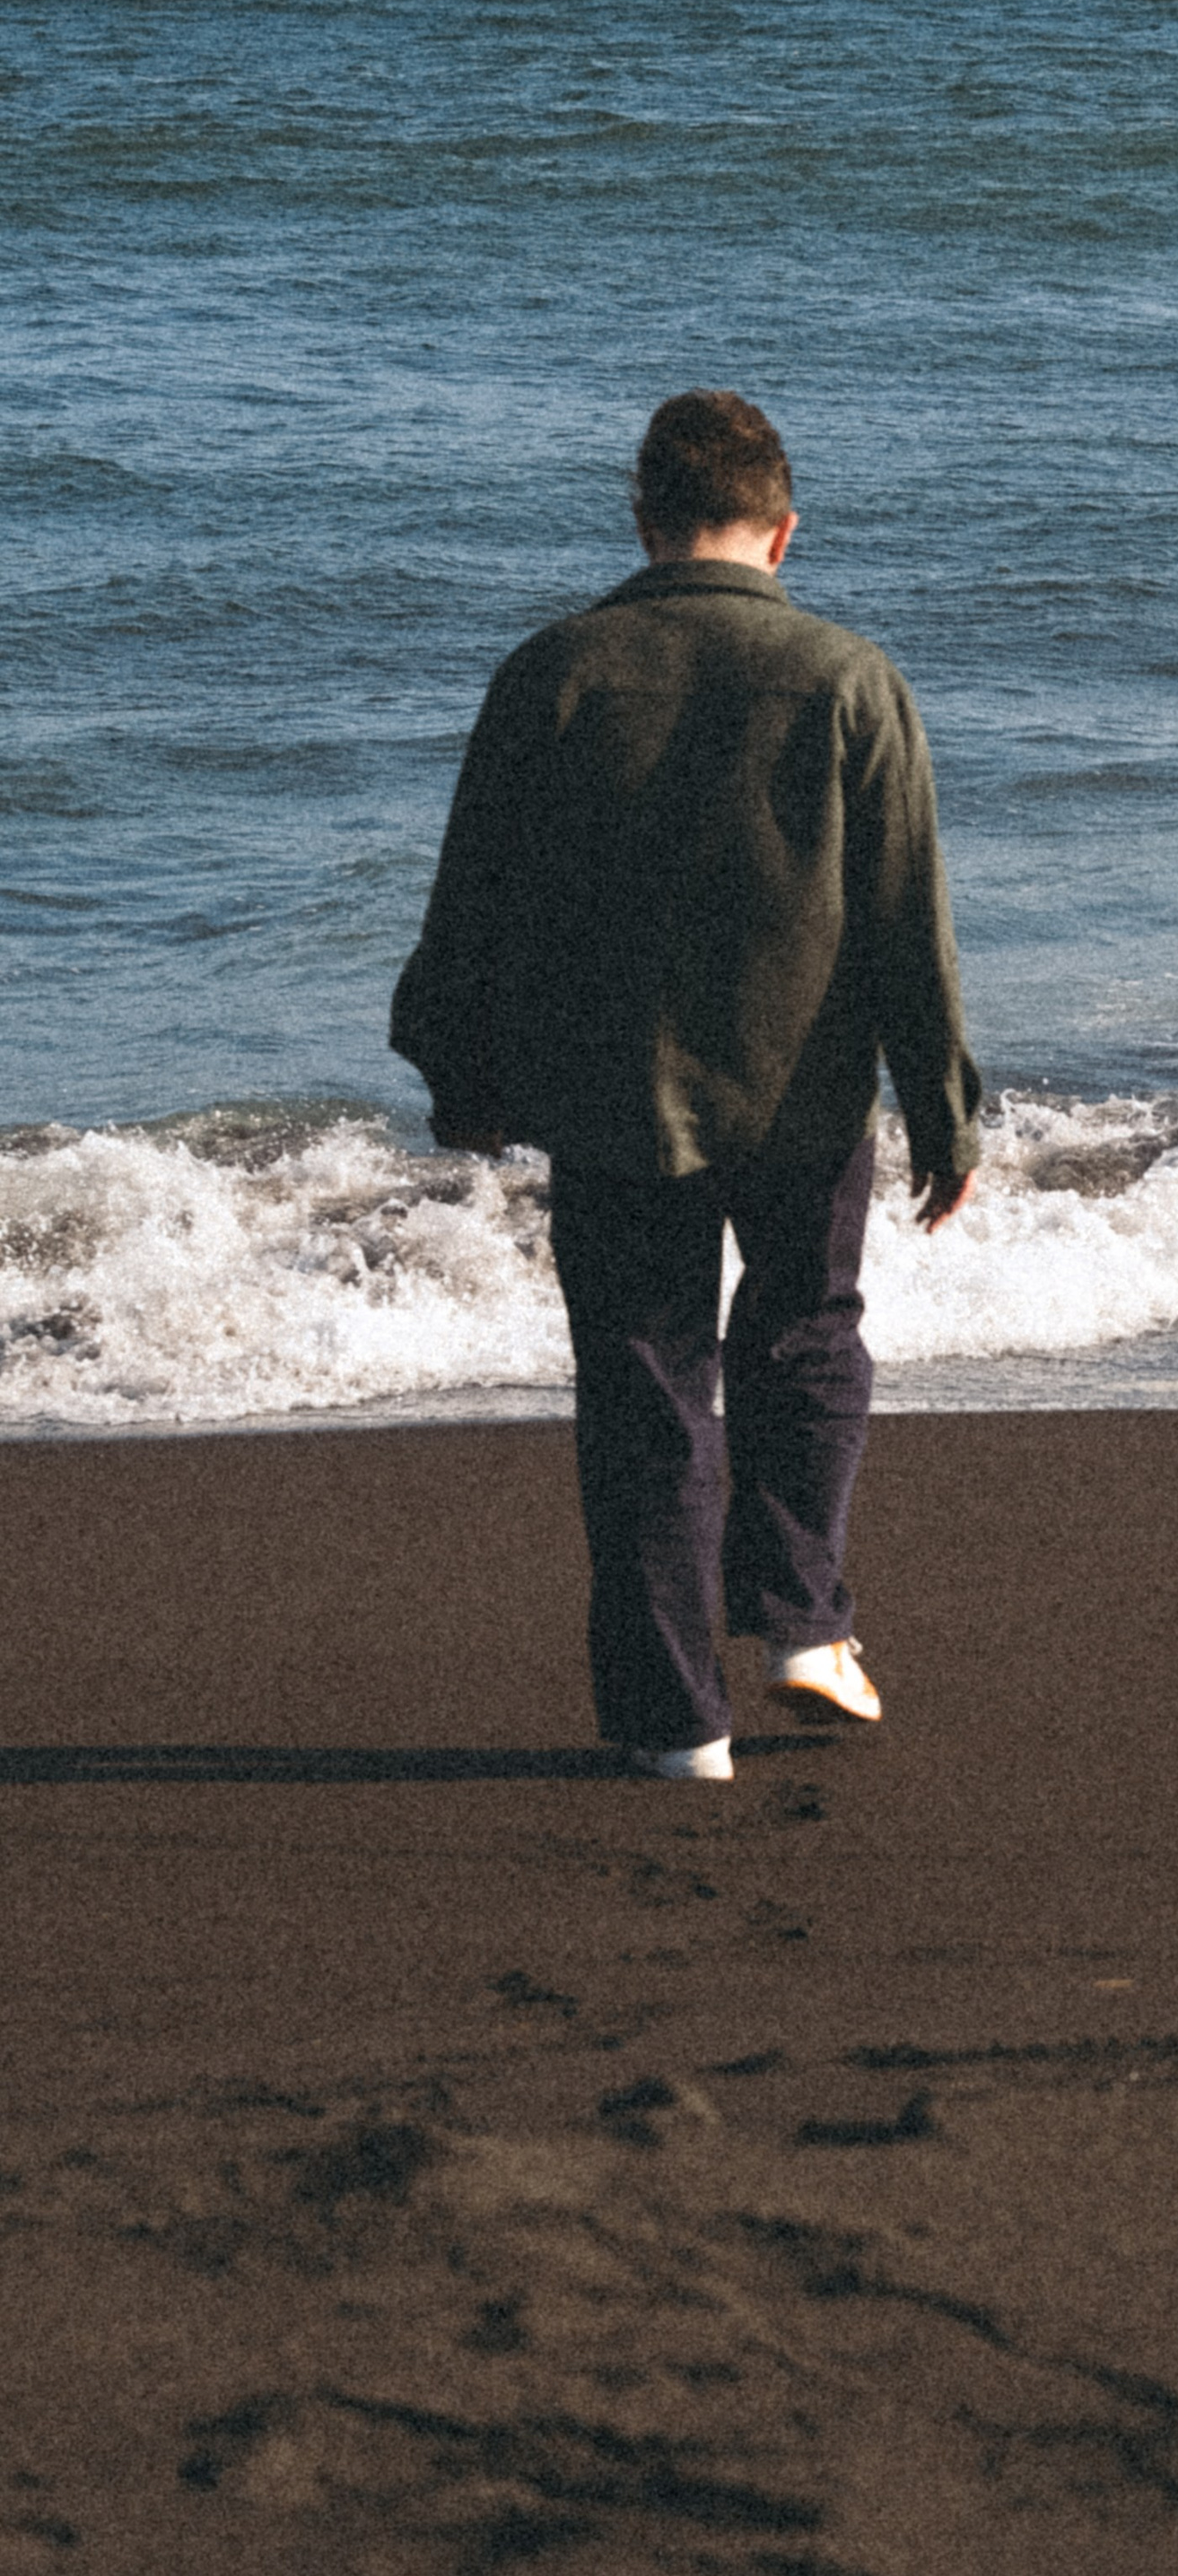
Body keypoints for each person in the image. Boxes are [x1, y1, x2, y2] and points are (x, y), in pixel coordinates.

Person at [390, 388, 981, 1780]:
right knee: (809, 1335)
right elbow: (907, 916)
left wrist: (459, 1065)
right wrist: (944, 1108)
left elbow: (473, 900)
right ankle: (801, 1627)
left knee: (646, 1381)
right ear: (784, 532)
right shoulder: (850, 678)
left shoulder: (555, 672)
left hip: (614, 1091)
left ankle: (675, 1724)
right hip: (805, 1087)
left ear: (644, 520)